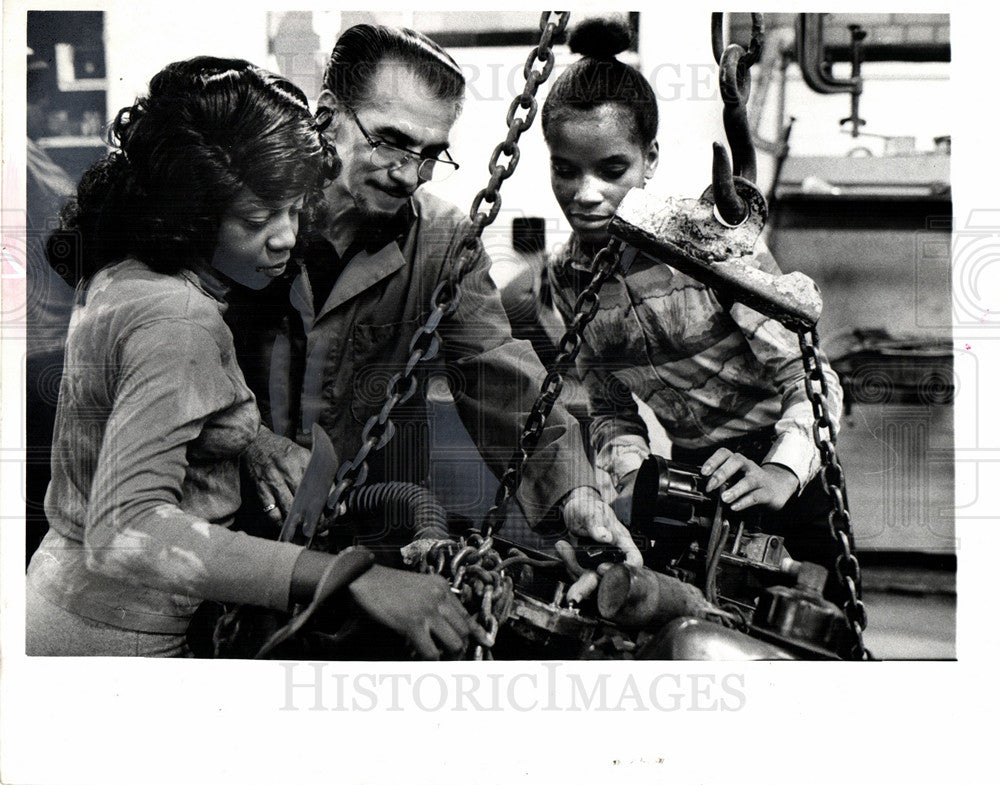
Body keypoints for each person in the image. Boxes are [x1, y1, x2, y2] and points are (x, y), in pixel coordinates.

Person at [26, 56, 487, 659]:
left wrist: (245, 438)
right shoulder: (181, 319)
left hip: (62, 606)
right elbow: (124, 532)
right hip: (114, 639)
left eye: (295, 209)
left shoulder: (127, 277)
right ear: (192, 208)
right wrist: (353, 576)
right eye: (256, 217)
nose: (287, 237)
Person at [244, 24, 641, 569]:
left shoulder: (444, 243)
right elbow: (179, 349)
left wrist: (576, 493)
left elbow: (500, 378)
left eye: (431, 153)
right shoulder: (247, 213)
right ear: (329, 115)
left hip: (366, 536)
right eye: (392, 141)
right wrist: (248, 439)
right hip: (229, 523)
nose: (410, 173)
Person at [539, 19, 848, 600]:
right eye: (564, 168)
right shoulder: (567, 278)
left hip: (787, 464)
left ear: (648, 158)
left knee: (810, 632)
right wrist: (632, 477)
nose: (585, 193)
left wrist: (782, 472)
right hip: (689, 474)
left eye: (611, 170)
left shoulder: (708, 242)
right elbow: (611, 409)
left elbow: (812, 378)